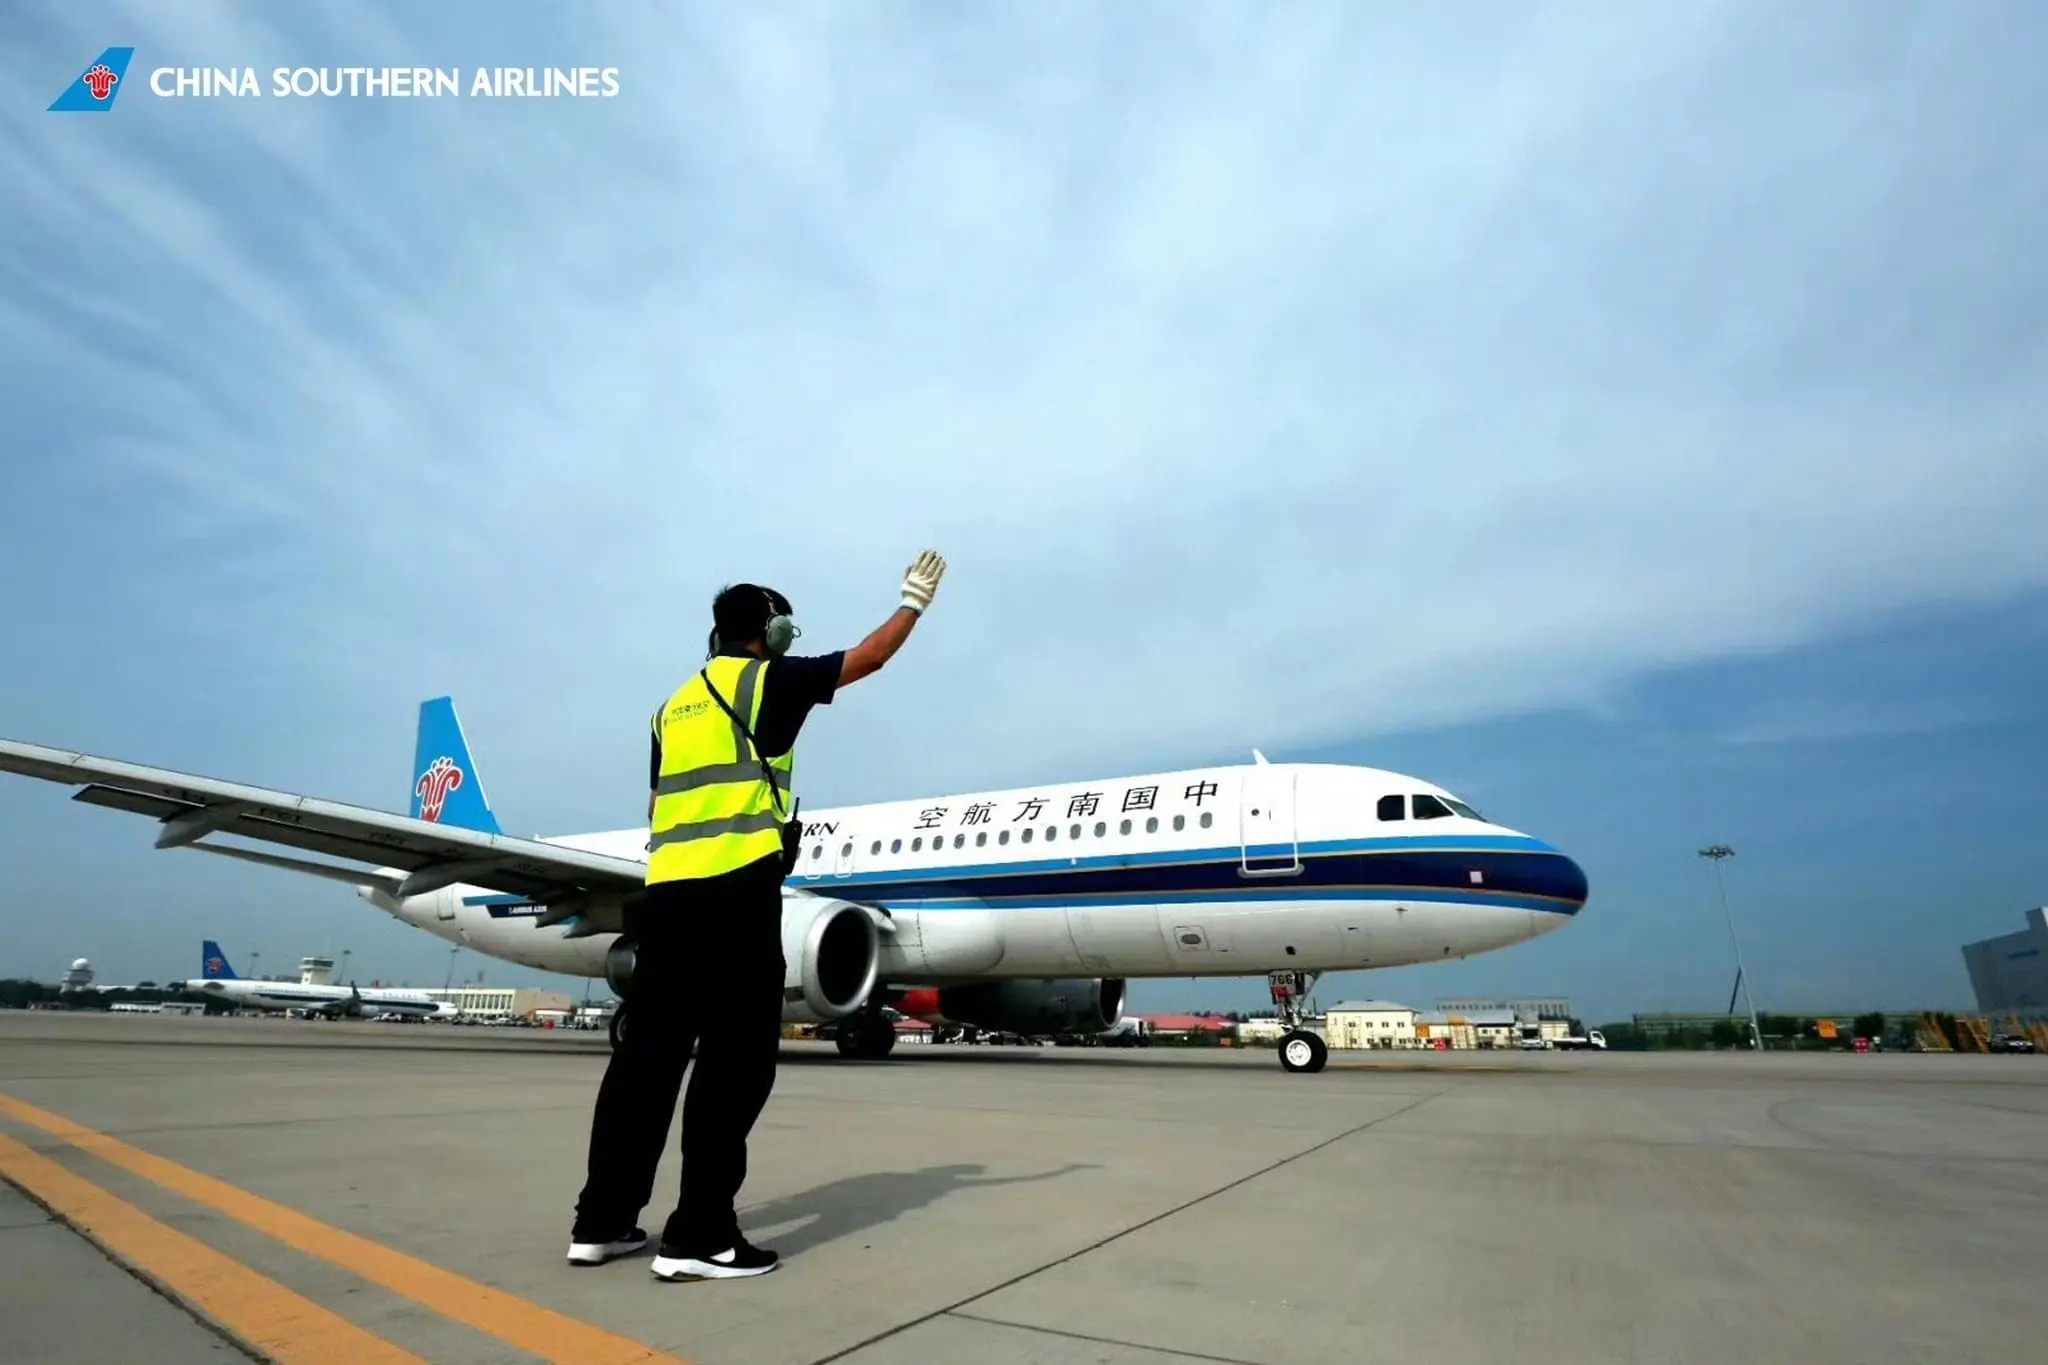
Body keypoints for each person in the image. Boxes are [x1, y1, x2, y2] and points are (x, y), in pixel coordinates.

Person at [567, 550, 947, 1282]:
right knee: (733, 1065)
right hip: (736, 894)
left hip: (666, 896)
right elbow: (865, 660)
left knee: (644, 1066)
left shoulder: (670, 706)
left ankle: (602, 1221)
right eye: (785, 628)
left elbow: (659, 807)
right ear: (769, 633)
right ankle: (701, 1235)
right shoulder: (770, 679)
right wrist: (913, 604)